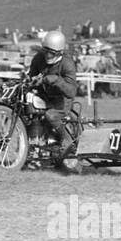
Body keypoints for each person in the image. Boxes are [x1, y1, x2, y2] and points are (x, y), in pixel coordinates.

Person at [27, 29, 80, 173]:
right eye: (46, 51)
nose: (47, 56)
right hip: (44, 95)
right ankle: (32, 150)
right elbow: (31, 75)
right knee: (27, 110)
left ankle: (66, 138)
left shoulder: (67, 64)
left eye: (51, 53)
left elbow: (71, 91)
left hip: (62, 100)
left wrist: (56, 80)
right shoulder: (39, 58)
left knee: (51, 115)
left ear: (59, 53)